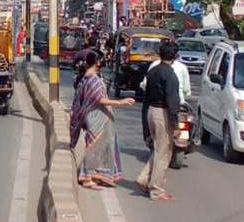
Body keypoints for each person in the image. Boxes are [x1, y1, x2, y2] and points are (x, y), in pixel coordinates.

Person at [69, 51, 134, 189]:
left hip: (99, 116)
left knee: (103, 145)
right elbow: (99, 99)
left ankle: (99, 176)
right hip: (94, 116)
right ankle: (87, 178)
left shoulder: (89, 77)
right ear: (97, 62)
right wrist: (121, 102)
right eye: (102, 59)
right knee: (94, 146)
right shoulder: (92, 79)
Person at [137, 43, 181, 201]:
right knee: (164, 153)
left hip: (150, 111)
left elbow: (146, 97)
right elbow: (172, 101)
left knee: (158, 150)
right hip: (163, 114)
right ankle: (156, 190)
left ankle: (144, 179)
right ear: (174, 57)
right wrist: (176, 124)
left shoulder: (153, 71)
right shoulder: (170, 75)